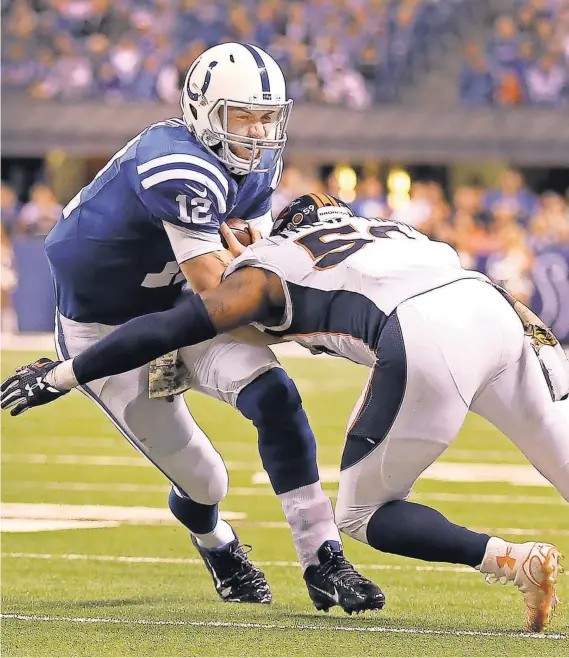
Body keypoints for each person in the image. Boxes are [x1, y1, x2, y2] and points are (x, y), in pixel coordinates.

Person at [6, 193, 567, 632]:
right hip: (495, 310)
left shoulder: (264, 267)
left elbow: (172, 326)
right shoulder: (393, 232)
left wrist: (63, 374)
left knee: (362, 514)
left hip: (430, 332)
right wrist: (551, 365)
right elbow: (477, 290)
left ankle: (515, 561)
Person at [5, 44, 384, 613]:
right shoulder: (176, 164)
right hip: (108, 329)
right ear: (203, 111)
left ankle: (323, 559)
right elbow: (219, 284)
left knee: (275, 396)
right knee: (207, 482)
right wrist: (305, 323)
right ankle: (217, 543)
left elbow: (250, 264)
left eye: (266, 116)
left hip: (181, 309)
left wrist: (275, 293)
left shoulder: (251, 166)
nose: (256, 132)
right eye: (242, 116)